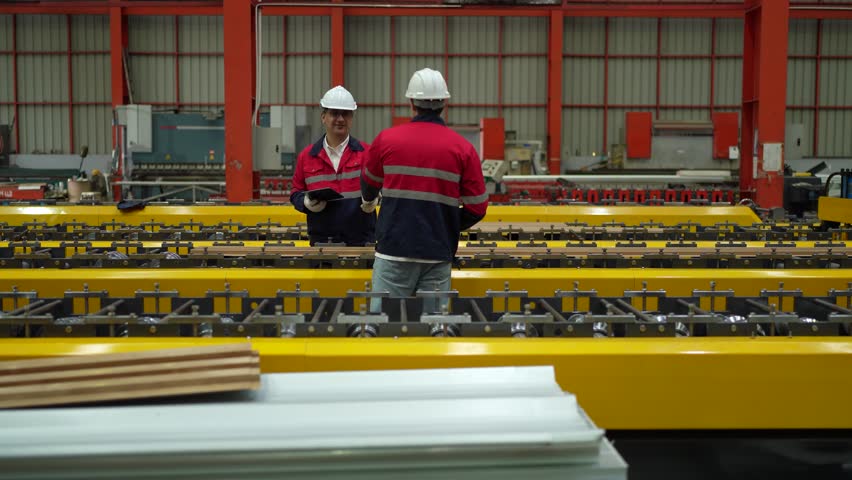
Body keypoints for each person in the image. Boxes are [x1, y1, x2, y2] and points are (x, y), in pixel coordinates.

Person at [360, 68, 488, 313]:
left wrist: (368, 203)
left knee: (384, 327)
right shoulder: (463, 148)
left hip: (393, 252)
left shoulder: (386, 140)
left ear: (411, 102)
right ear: (444, 104)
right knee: (433, 329)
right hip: (436, 255)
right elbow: (478, 206)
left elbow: (369, 184)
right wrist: (446, 223)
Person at [290, 86, 376, 246]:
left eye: (346, 114)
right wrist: (306, 203)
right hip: (321, 245)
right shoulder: (307, 156)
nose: (340, 119)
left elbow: (384, 187)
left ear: (352, 118)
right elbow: (295, 192)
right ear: (323, 117)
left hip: (361, 244)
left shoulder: (368, 153)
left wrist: (375, 200)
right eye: (334, 113)